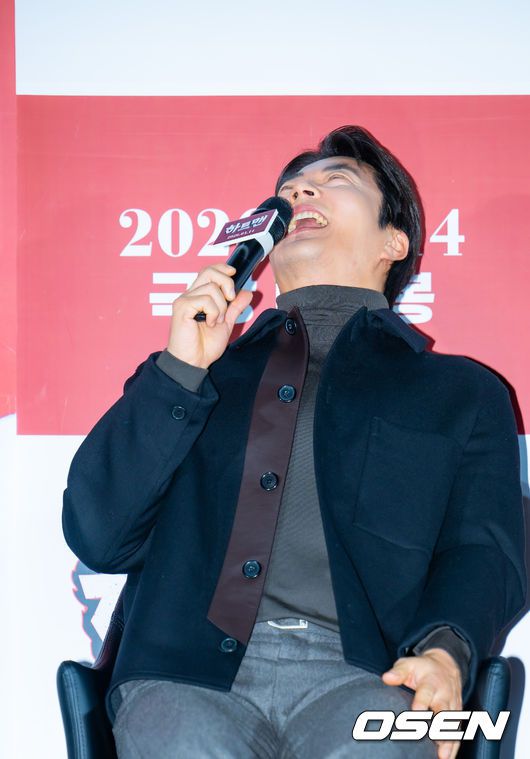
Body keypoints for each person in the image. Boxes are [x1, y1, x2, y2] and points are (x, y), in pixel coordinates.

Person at [62, 125, 526, 759]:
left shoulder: (462, 392)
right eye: (290, 189)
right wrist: (179, 370)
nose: (302, 191)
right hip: (185, 677)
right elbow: (97, 534)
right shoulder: (196, 374)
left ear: (394, 242)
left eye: (336, 180)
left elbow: (484, 549)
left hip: (375, 674)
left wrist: (447, 650)